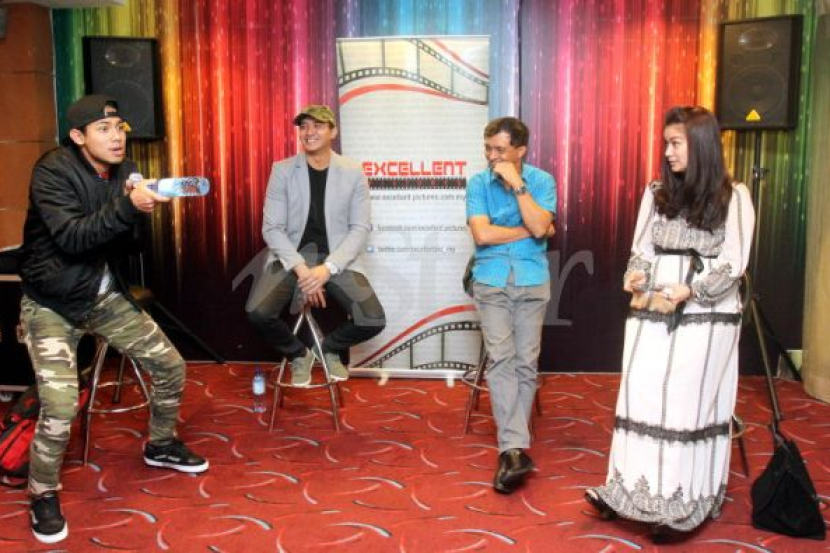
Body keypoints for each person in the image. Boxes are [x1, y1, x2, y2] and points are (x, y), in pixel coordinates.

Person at [18, 95, 209, 544]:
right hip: (51, 305)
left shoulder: (127, 171)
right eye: (103, 129)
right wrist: (126, 207)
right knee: (61, 406)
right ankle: (43, 491)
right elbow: (72, 239)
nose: (116, 136)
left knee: (170, 365)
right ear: (78, 136)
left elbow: (126, 246)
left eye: (119, 127)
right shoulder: (52, 172)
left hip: (102, 296)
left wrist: (138, 209)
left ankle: (161, 443)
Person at [585, 106, 755, 539]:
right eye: (666, 143)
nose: (667, 152)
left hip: (705, 317)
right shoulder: (657, 192)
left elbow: (734, 263)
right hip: (651, 309)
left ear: (700, 145)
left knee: (683, 404)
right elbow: (641, 248)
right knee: (639, 395)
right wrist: (635, 274)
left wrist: (692, 291)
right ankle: (626, 491)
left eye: (676, 143)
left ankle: (682, 502)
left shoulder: (734, 196)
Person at [246, 105, 385, 386]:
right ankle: (300, 354)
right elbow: (272, 229)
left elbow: (360, 228)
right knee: (258, 313)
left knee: (372, 319)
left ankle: (327, 349)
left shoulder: (353, 171)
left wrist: (326, 269)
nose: (309, 132)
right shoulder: (283, 170)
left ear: (333, 131)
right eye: (304, 126)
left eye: (318, 125)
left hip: (337, 259)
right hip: (291, 258)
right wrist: (303, 271)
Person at [466, 117, 556, 494]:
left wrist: (518, 186)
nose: (492, 156)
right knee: (502, 359)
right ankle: (513, 449)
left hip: (532, 279)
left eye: (500, 150)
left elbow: (540, 227)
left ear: (520, 151)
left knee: (526, 361)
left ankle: (513, 448)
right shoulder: (477, 183)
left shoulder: (541, 182)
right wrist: (531, 230)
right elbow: (483, 234)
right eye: (488, 148)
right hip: (491, 279)